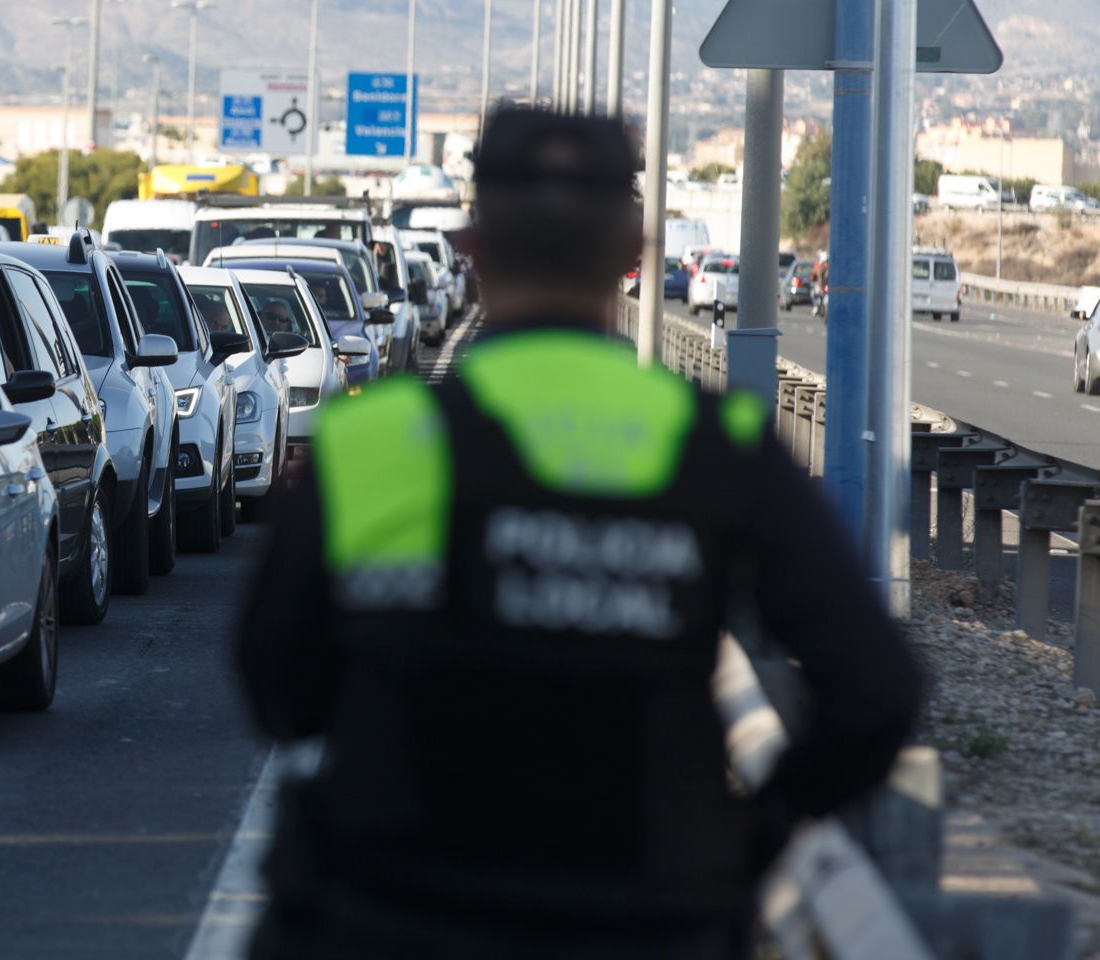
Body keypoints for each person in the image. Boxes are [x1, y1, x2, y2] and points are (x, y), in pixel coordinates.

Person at [237, 107, 923, 959]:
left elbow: (278, 689)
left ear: (473, 249)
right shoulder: (721, 449)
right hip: (651, 926)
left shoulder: (373, 438)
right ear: (629, 257)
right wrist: (748, 836)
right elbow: (877, 690)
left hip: (396, 919)